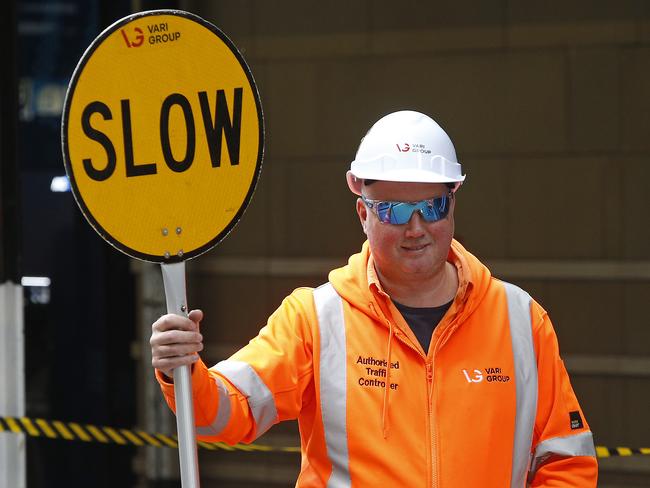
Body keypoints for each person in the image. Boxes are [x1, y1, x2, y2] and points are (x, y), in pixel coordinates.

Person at [151, 110, 598, 486]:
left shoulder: (520, 320)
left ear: (453, 203)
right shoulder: (316, 319)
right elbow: (222, 414)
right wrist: (183, 369)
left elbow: (566, 460)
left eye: (433, 206)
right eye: (395, 210)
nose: (417, 227)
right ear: (363, 212)